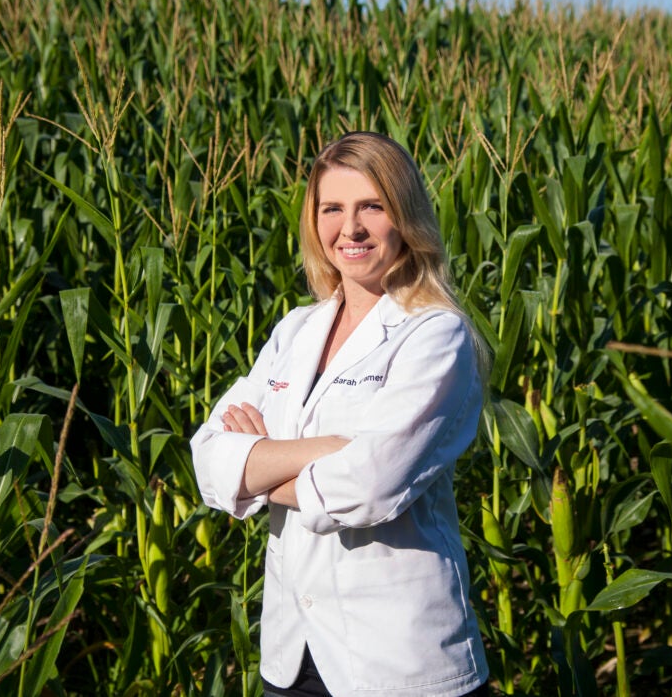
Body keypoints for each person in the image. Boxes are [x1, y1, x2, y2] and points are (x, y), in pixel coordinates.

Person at [191, 132, 490, 696]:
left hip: (396, 662)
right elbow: (209, 459)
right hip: (292, 654)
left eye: (371, 207)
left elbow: (371, 487)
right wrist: (328, 450)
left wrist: (254, 469)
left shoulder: (434, 335)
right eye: (332, 208)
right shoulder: (296, 329)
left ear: (405, 217)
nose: (349, 229)